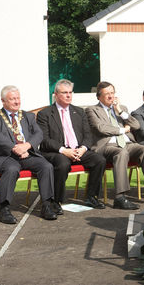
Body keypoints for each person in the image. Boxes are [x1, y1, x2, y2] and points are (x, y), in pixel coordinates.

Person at [0, 86, 57, 223]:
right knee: (12, 169)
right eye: (12, 99)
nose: (17, 102)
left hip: (27, 153)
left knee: (46, 166)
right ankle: (4, 209)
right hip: (5, 156)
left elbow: (38, 133)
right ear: (3, 101)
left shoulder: (28, 115)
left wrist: (27, 146)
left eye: (18, 98)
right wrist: (14, 148)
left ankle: (47, 205)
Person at [37, 79, 107, 210]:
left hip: (78, 150)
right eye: (64, 92)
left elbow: (88, 135)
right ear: (56, 95)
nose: (68, 95)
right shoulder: (44, 114)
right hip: (57, 152)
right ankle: (56, 201)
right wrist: (64, 151)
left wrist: (83, 149)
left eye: (70, 92)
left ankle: (91, 197)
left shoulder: (80, 112)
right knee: (63, 163)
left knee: (99, 160)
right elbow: (44, 140)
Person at [86, 81, 144, 209]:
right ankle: (120, 197)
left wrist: (119, 111)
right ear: (99, 96)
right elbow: (101, 128)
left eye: (112, 93)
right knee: (121, 152)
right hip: (106, 146)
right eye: (107, 94)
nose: (110, 96)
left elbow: (136, 125)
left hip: (127, 143)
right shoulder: (92, 110)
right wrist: (123, 129)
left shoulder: (121, 108)